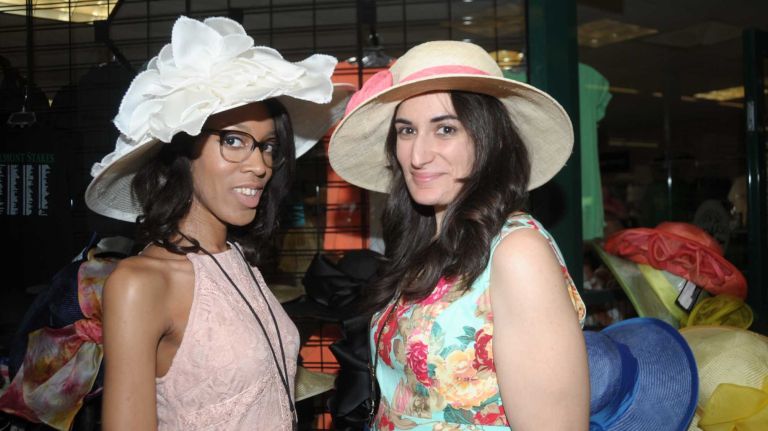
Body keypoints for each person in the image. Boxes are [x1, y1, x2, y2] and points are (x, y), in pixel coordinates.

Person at [84, 16, 349, 430]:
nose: (260, 164)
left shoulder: (238, 260)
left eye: (267, 146)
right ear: (183, 153)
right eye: (233, 140)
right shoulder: (142, 282)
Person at [328, 41, 589, 430]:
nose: (418, 155)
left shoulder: (517, 253)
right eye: (406, 131)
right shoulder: (427, 245)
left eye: (445, 129)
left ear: (489, 139)